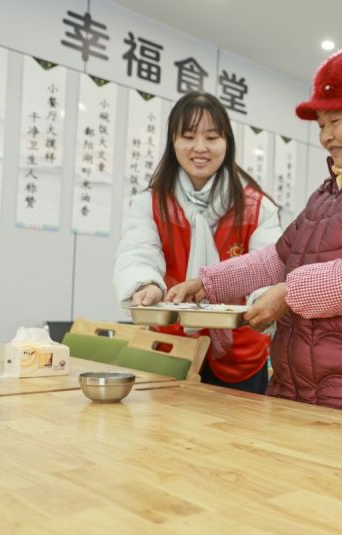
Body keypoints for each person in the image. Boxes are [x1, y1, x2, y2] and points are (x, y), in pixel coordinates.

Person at [166, 50, 342, 418]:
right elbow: (281, 257)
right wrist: (207, 283)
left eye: (335, 121)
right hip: (300, 393)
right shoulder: (330, 191)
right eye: (320, 125)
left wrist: (289, 293)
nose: (325, 136)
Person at [114, 91, 281, 393]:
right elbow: (138, 254)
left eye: (212, 137)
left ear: (227, 143)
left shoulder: (258, 207)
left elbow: (269, 267)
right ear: (172, 142)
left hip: (240, 356)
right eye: (188, 136)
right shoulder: (150, 203)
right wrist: (145, 285)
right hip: (170, 349)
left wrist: (264, 302)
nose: (200, 148)